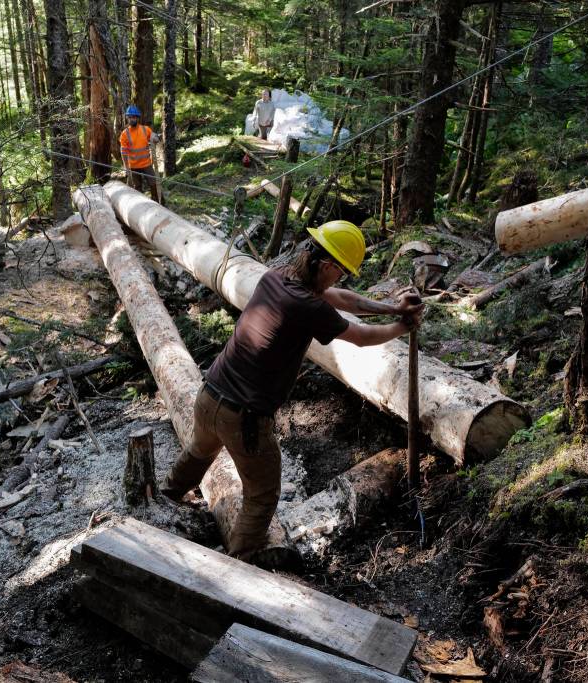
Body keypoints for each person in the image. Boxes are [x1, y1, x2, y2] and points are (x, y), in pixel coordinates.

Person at [161, 220, 424, 563]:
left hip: (210, 393)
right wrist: (401, 327)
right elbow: (359, 337)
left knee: (199, 450)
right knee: (262, 495)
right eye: (341, 272)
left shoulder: (279, 275)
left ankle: (164, 500)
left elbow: (341, 299)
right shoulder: (307, 306)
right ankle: (238, 566)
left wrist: (392, 309)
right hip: (245, 417)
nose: (340, 279)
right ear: (327, 266)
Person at [119, 104, 160, 200]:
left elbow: (155, 137)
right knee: (137, 188)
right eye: (130, 117)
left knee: (153, 184)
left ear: (137, 118)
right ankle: (141, 207)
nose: (132, 119)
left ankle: (158, 202)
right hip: (133, 166)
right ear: (127, 118)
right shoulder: (124, 134)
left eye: (134, 117)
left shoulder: (145, 129)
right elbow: (123, 152)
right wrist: (126, 167)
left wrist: (155, 138)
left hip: (146, 164)